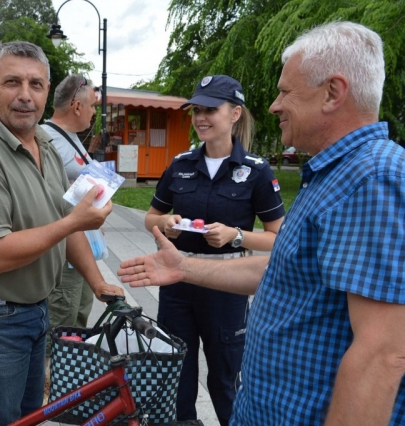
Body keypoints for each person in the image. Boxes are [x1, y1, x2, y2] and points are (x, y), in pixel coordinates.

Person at [118, 21, 405, 426]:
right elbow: (288, 265)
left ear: (333, 93)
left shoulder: (374, 178)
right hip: (258, 397)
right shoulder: (333, 174)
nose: (273, 105)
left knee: (221, 373)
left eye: (286, 91)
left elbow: (383, 354)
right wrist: (183, 267)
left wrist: (234, 236)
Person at [0, 41, 124, 426]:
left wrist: (97, 282)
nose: (25, 95)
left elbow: (61, 218)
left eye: (36, 85)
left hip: (34, 312)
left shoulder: (42, 143)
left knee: (27, 418)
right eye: (12, 82)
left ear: (46, 90)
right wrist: (73, 222)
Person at [145, 75, 285, 426]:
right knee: (176, 374)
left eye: (211, 109)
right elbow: (151, 217)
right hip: (177, 284)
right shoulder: (179, 165)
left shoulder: (255, 170)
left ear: (235, 113)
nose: (201, 117)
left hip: (227, 287)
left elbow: (278, 238)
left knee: (225, 378)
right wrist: (164, 224)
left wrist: (236, 236)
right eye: (196, 110)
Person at [40, 74, 98, 362]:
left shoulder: (71, 138)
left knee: (78, 324)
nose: (94, 112)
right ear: (76, 106)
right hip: (62, 255)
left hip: (82, 251)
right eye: (92, 106)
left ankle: (71, 387)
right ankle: (51, 395)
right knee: (61, 328)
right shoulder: (45, 139)